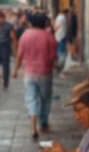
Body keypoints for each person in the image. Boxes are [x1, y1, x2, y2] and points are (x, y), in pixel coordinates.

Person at [12, 11, 56, 139]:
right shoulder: (49, 37)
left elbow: (19, 55)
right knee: (45, 99)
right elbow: (53, 57)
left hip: (29, 73)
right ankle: (43, 121)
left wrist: (15, 71)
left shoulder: (25, 35)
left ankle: (32, 126)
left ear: (31, 23)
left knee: (31, 98)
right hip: (45, 73)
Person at [0, 10, 17, 90]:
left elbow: (13, 38)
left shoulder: (9, 26)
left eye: (1, 18)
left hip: (5, 48)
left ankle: (5, 83)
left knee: (5, 67)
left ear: (4, 18)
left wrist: (15, 49)